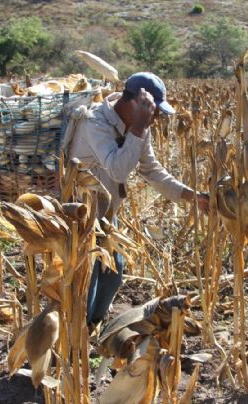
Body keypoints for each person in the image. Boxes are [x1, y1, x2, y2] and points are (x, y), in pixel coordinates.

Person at [66, 72, 209, 328]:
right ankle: (75, 337)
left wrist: (193, 196)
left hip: (106, 215)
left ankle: (92, 328)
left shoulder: (139, 128)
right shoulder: (94, 123)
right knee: (87, 281)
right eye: (153, 111)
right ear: (135, 103)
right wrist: (139, 127)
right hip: (81, 217)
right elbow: (118, 170)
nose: (155, 119)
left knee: (113, 274)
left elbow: (151, 170)